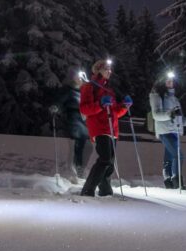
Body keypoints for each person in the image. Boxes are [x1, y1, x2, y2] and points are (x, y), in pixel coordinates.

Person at [79, 59, 131, 197]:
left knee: (110, 162)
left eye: (110, 68)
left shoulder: (108, 89)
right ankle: (88, 189)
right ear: (98, 70)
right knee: (105, 159)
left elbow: (114, 112)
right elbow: (85, 109)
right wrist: (100, 105)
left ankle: (105, 189)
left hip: (112, 129)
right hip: (99, 127)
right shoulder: (89, 87)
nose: (110, 71)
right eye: (107, 68)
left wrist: (124, 107)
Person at [149, 73, 186, 189]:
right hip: (165, 131)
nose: (170, 83)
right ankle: (177, 180)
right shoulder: (157, 95)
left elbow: (180, 119)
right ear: (162, 82)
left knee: (170, 156)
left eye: (171, 81)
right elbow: (156, 115)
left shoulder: (175, 99)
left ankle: (168, 179)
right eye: (167, 81)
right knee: (178, 155)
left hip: (174, 130)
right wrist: (169, 114)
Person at [53, 71, 89, 180]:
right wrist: (56, 106)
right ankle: (76, 168)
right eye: (77, 78)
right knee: (78, 140)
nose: (79, 80)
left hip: (84, 119)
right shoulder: (69, 91)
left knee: (83, 142)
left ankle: (78, 166)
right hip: (73, 117)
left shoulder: (85, 92)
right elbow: (60, 101)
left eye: (81, 78)